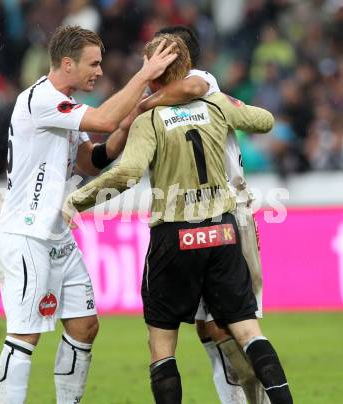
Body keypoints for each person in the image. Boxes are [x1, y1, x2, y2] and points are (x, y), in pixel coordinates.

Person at [63, 34, 293, 404]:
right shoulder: (215, 103)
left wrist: (76, 199)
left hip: (175, 237)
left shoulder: (149, 118)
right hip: (223, 231)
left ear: (152, 73)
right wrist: (229, 104)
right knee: (249, 331)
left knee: (163, 346)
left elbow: (127, 173)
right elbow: (263, 121)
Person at [0, 25, 177, 404]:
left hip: (57, 234)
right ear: (67, 63)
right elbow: (104, 121)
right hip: (28, 234)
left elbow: (93, 160)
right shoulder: (40, 100)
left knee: (85, 326)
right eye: (93, 64)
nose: (98, 71)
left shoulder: (65, 108)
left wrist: (133, 118)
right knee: (25, 334)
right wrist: (142, 76)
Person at [139, 25, 269, 404]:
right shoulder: (171, 100)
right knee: (209, 329)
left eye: (159, 56)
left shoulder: (201, 81)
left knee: (236, 325)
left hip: (230, 211)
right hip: (193, 215)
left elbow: (192, 88)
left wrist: (140, 103)